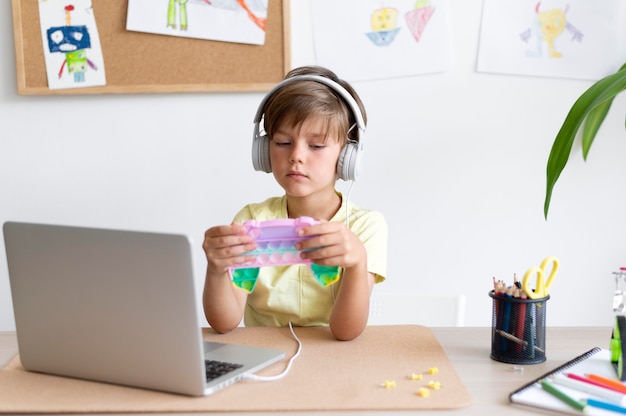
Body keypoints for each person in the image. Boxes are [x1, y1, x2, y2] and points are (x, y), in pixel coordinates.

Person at [202, 66, 388, 341]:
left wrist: (358, 263)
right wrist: (216, 270)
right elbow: (225, 323)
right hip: (263, 354)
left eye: (316, 146)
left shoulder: (365, 226)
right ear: (264, 151)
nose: (296, 156)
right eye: (283, 142)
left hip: (333, 358)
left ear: (348, 156)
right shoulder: (252, 219)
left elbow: (346, 332)